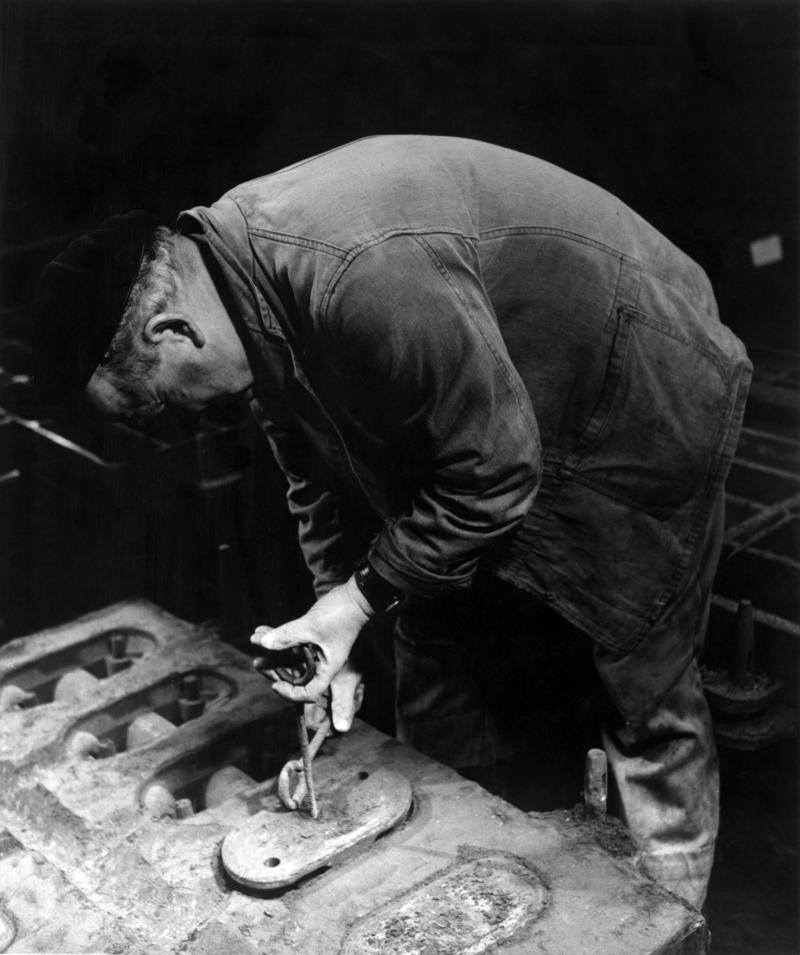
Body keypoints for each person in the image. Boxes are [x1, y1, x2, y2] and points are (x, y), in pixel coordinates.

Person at [34, 136, 751, 908]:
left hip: (637, 390)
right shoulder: (236, 280)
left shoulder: (353, 268)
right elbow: (311, 473)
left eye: (160, 402)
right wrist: (333, 620)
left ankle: (665, 922)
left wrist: (361, 596)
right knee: (434, 668)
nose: (185, 421)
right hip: (503, 416)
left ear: (170, 331)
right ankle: (459, 898)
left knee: (645, 698)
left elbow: (500, 471)